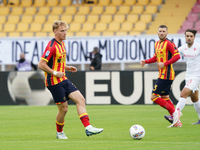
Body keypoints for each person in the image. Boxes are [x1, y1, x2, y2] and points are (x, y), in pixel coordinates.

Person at [38, 21, 103, 139]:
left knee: (81, 99)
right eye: (62, 31)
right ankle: (59, 132)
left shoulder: (61, 44)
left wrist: (66, 67)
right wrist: (55, 72)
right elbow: (41, 64)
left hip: (63, 78)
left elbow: (57, 62)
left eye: (65, 30)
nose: (65, 33)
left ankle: (88, 127)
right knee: (64, 109)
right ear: (55, 32)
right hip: (53, 82)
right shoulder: (51, 46)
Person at [140, 25, 182, 128]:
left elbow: (177, 56)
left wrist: (165, 63)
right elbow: (156, 57)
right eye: (160, 31)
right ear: (157, 32)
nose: (162, 33)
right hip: (162, 74)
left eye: (164, 31)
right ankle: (176, 121)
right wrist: (146, 61)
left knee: (153, 97)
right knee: (165, 97)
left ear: (167, 33)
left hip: (167, 75)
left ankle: (175, 113)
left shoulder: (169, 43)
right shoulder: (157, 43)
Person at [165, 29, 200, 125]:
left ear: (194, 37)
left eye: (191, 36)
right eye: (187, 36)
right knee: (194, 99)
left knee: (183, 93)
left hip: (197, 76)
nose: (189, 38)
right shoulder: (183, 48)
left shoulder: (198, 47)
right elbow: (174, 56)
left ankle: (174, 115)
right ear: (185, 37)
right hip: (188, 76)